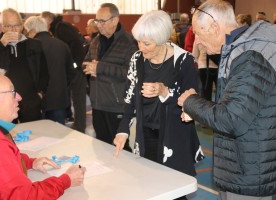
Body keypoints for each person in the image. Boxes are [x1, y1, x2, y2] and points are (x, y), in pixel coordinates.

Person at [178, 0, 276, 199]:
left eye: (198, 32)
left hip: (250, 174)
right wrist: (196, 110)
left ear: (215, 27)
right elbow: (235, 106)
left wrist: (191, 101)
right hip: (242, 167)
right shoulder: (238, 50)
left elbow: (231, 119)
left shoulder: (251, 56)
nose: (196, 40)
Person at [113, 10, 204, 195]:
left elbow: (193, 101)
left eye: (147, 43)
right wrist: (123, 129)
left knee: (176, 188)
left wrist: (164, 91)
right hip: (146, 133)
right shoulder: (137, 59)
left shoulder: (183, 61)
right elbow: (130, 98)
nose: (141, 47)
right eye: (138, 41)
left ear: (162, 39)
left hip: (175, 135)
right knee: (150, 186)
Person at [0, 68, 86, 199]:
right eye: (12, 92)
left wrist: (28, 162)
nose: (19, 97)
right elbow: (25, 196)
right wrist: (66, 180)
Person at [0, 8, 49, 123]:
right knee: (5, 135)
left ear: (22, 25)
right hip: (2, 102)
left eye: (17, 25)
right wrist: (1, 44)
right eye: (9, 26)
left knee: (33, 134)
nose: (14, 29)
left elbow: (44, 72)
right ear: (2, 26)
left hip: (30, 102)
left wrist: (39, 94)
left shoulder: (34, 44)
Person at [83, 3, 137, 150]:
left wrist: (100, 68)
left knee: (120, 149)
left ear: (114, 20)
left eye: (102, 21)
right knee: (101, 147)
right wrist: (88, 67)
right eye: (96, 21)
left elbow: (131, 73)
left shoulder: (129, 43)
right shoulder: (95, 41)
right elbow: (86, 61)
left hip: (117, 106)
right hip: (98, 103)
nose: (98, 25)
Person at [41, 11, 87, 132]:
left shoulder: (62, 27)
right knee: (75, 99)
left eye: (43, 20)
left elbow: (75, 44)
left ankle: (80, 127)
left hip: (76, 69)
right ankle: (77, 124)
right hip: (71, 68)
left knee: (78, 100)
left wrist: (74, 64)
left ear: (48, 20)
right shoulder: (58, 27)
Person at [24, 16, 75, 124]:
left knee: (41, 135)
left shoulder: (29, 46)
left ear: (32, 31)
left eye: (27, 32)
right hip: (59, 98)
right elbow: (71, 72)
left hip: (37, 100)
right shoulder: (62, 45)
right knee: (59, 135)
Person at [192, 37, 219, 102]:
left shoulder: (198, 38)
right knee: (219, 90)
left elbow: (194, 54)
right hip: (218, 66)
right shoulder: (217, 35)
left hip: (203, 67)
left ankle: (206, 109)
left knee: (206, 90)